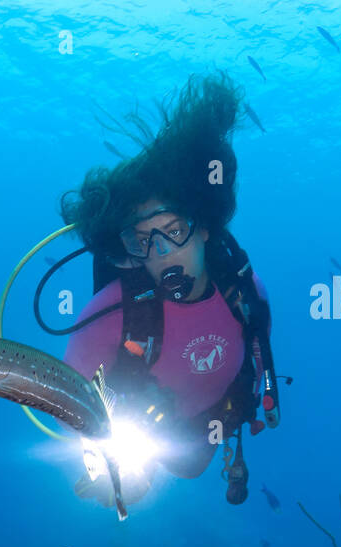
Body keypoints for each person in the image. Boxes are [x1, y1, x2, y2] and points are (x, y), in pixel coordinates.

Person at [57, 74, 280, 507]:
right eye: (143, 240)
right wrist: (103, 466)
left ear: (206, 228)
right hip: (149, 443)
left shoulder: (247, 293)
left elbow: (258, 353)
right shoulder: (107, 315)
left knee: (195, 464)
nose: (161, 253)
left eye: (175, 231)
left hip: (216, 431)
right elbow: (69, 407)